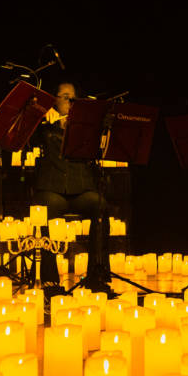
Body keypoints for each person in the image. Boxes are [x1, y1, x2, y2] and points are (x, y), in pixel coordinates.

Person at [31, 81, 111, 290]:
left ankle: (98, 275)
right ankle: (50, 280)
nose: (69, 101)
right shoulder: (44, 124)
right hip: (52, 188)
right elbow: (26, 136)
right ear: (54, 100)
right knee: (46, 207)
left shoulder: (85, 126)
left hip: (81, 187)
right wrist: (40, 116)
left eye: (73, 97)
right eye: (64, 96)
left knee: (100, 205)